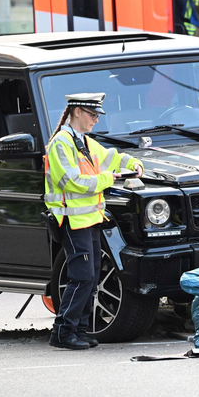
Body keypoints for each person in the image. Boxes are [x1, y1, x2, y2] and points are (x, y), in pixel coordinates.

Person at [45, 93, 143, 350]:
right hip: (72, 222)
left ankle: (80, 329)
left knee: (92, 275)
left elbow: (110, 157)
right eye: (93, 115)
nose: (96, 120)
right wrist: (108, 179)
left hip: (90, 221)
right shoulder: (61, 144)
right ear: (77, 111)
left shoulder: (83, 142)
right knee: (82, 277)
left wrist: (132, 162)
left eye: (98, 115)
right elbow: (73, 182)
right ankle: (63, 332)